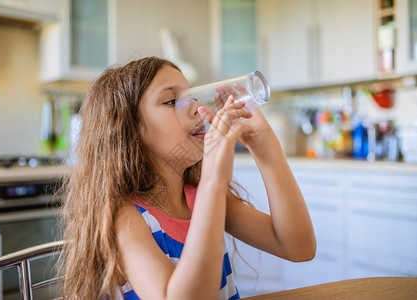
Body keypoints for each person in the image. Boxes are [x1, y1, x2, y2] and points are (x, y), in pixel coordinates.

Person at [58, 56, 316, 299]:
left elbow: (298, 246)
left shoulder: (198, 197)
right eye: (172, 102)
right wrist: (213, 181)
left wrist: (264, 144)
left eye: (192, 97)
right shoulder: (124, 217)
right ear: (128, 129)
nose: (198, 108)